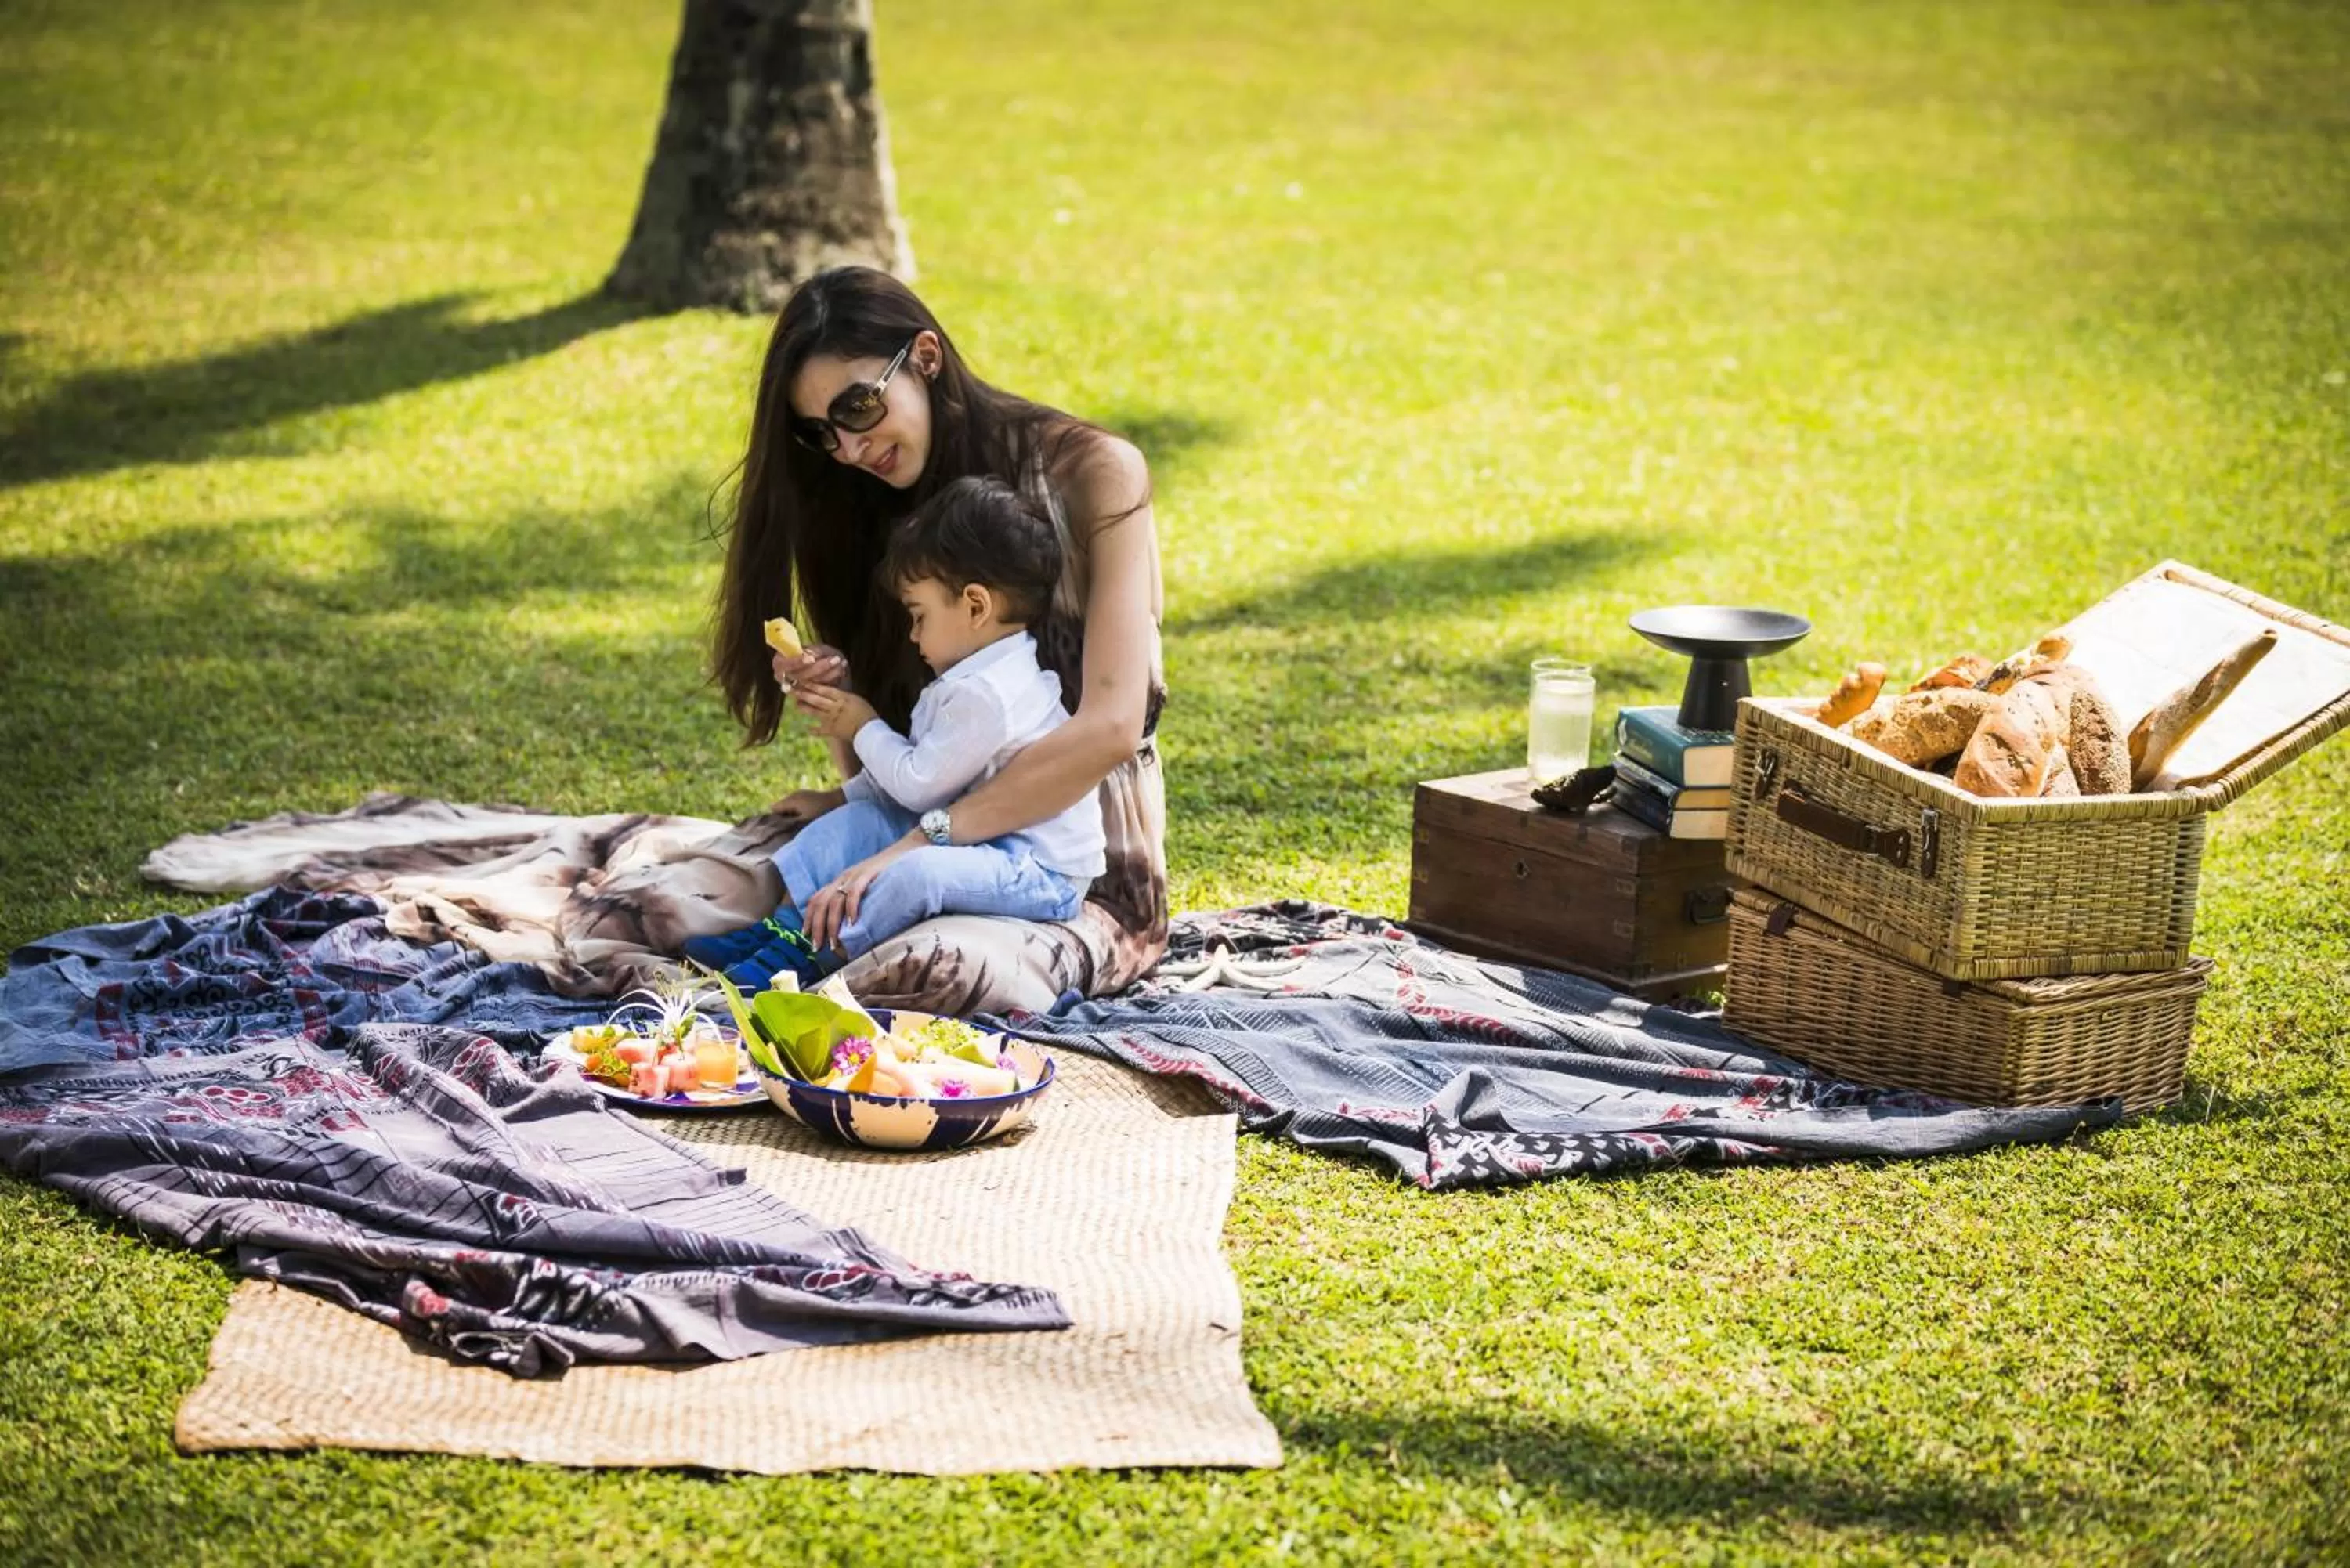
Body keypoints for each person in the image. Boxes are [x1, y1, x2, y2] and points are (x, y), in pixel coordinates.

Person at [700, 266, 1170, 1011]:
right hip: (920, 820)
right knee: (684, 903)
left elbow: (1109, 729)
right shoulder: (868, 499)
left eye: (858, 407)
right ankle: (780, 953)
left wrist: (921, 841)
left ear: (925, 357)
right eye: (822, 432)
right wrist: (843, 709)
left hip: (1080, 874)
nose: (849, 449)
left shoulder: (1097, 474)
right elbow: (911, 739)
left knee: (925, 969)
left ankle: (791, 973)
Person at [689, 476, 1105, 988]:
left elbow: (918, 784)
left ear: (976, 606)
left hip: (1037, 869)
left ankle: (815, 956)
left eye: (919, 616)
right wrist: (836, 799)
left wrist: (862, 723)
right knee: (853, 826)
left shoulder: (987, 694)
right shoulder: (971, 678)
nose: (912, 635)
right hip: (973, 836)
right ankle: (779, 932)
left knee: (916, 874)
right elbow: (925, 769)